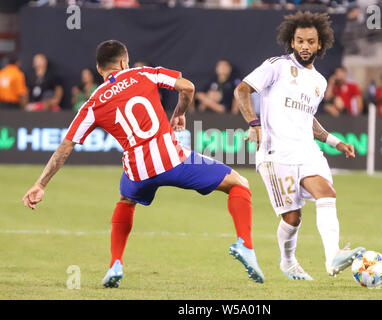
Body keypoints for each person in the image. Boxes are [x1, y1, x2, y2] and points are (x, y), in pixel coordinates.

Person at [22, 40, 265, 287]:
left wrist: (40, 184)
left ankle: (115, 264)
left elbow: (66, 146)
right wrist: (180, 112)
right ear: (123, 62)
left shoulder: (92, 104)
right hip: (173, 159)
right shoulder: (143, 73)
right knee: (239, 183)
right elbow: (188, 87)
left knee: (126, 200)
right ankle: (245, 244)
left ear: (99, 69)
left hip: (138, 171)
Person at [234, 11, 365, 281]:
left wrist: (334, 141)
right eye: (300, 41)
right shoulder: (276, 66)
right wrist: (254, 124)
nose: (305, 46)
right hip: (275, 153)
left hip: (306, 151)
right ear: (292, 42)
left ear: (320, 44)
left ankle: (333, 257)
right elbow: (242, 90)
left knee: (327, 193)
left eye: (311, 41)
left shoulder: (319, 81)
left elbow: (308, 119)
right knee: (292, 219)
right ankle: (288, 261)